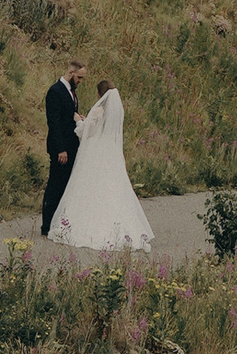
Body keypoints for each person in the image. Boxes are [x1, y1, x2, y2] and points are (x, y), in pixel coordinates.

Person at [48, 78, 156, 252]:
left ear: (100, 94)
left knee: (90, 185)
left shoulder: (98, 110)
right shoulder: (115, 113)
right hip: (110, 151)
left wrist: (78, 120)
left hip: (95, 150)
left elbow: (84, 132)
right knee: (111, 186)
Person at [40, 58, 85, 235]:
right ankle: (46, 225)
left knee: (66, 185)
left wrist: (77, 118)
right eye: (79, 77)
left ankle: (58, 223)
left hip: (71, 146)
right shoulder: (55, 91)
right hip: (61, 149)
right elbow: (54, 122)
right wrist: (60, 149)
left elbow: (66, 117)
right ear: (71, 73)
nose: (80, 82)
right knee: (55, 185)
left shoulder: (71, 92)